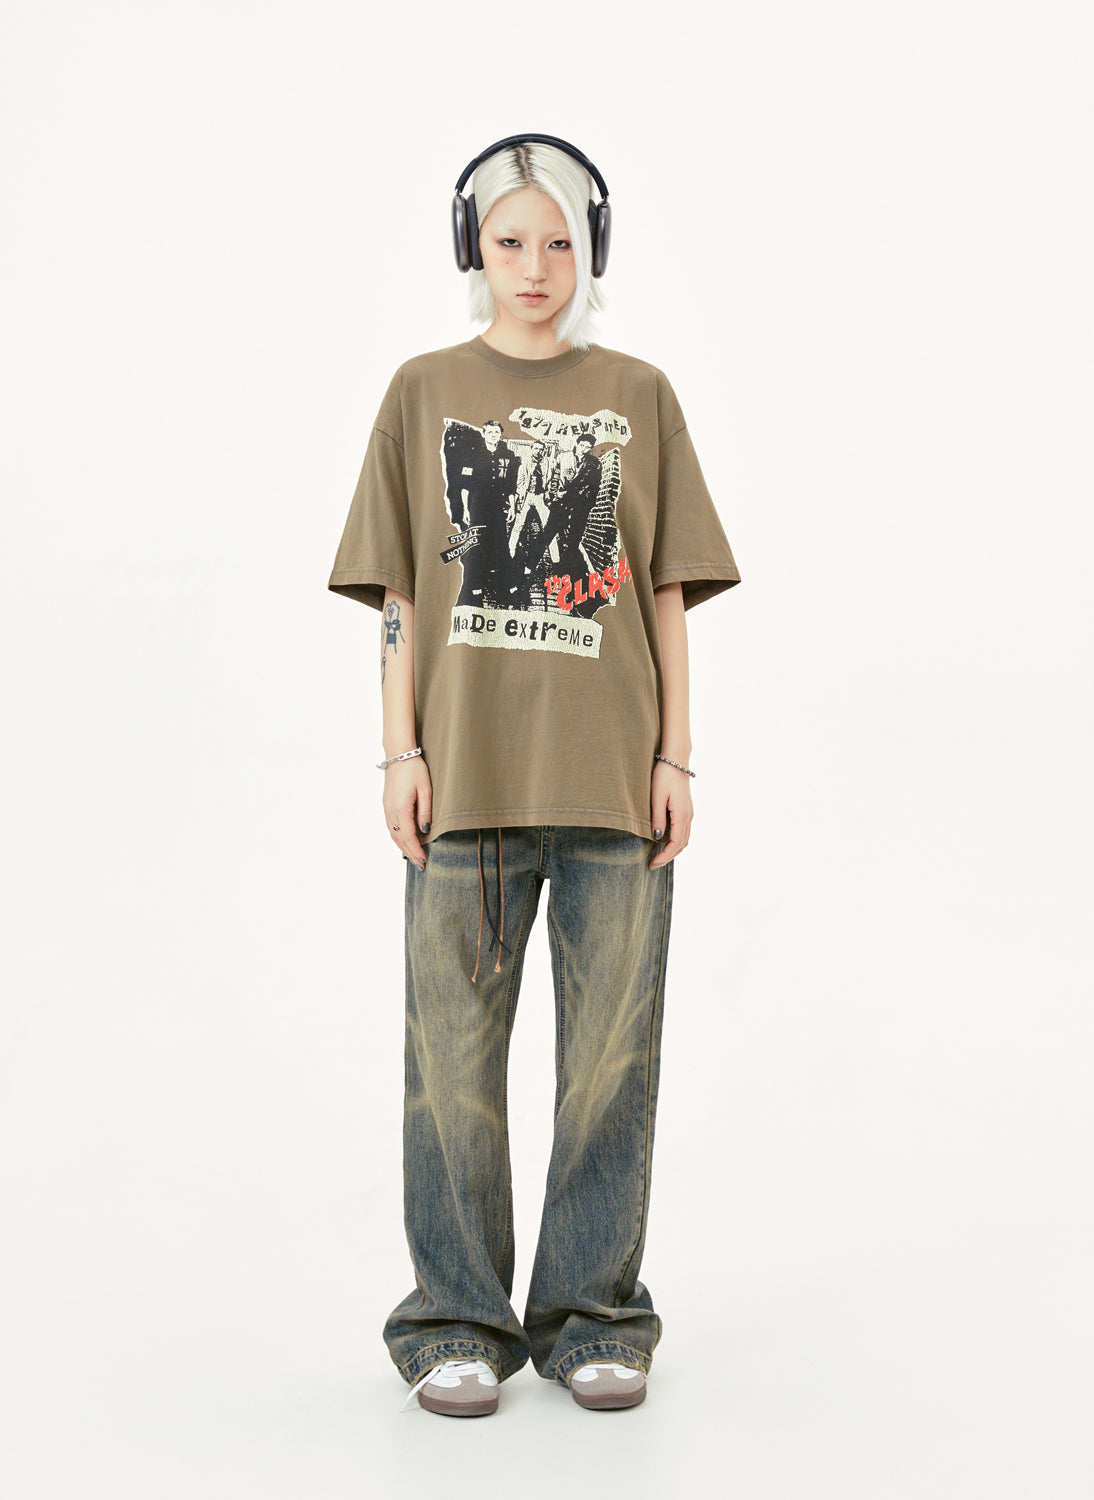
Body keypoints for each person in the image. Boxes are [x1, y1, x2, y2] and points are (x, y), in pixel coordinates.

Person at [328, 134, 741, 1416]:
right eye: (509, 241)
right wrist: (399, 751)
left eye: (559, 242)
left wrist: (675, 755)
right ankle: (452, 1320)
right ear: (473, 248)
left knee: (609, 1068)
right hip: (465, 789)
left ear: (590, 250)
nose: (535, 266)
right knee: (451, 1067)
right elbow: (397, 597)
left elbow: (664, 591)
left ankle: (592, 1316)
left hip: (613, 784)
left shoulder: (639, 394)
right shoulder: (420, 391)